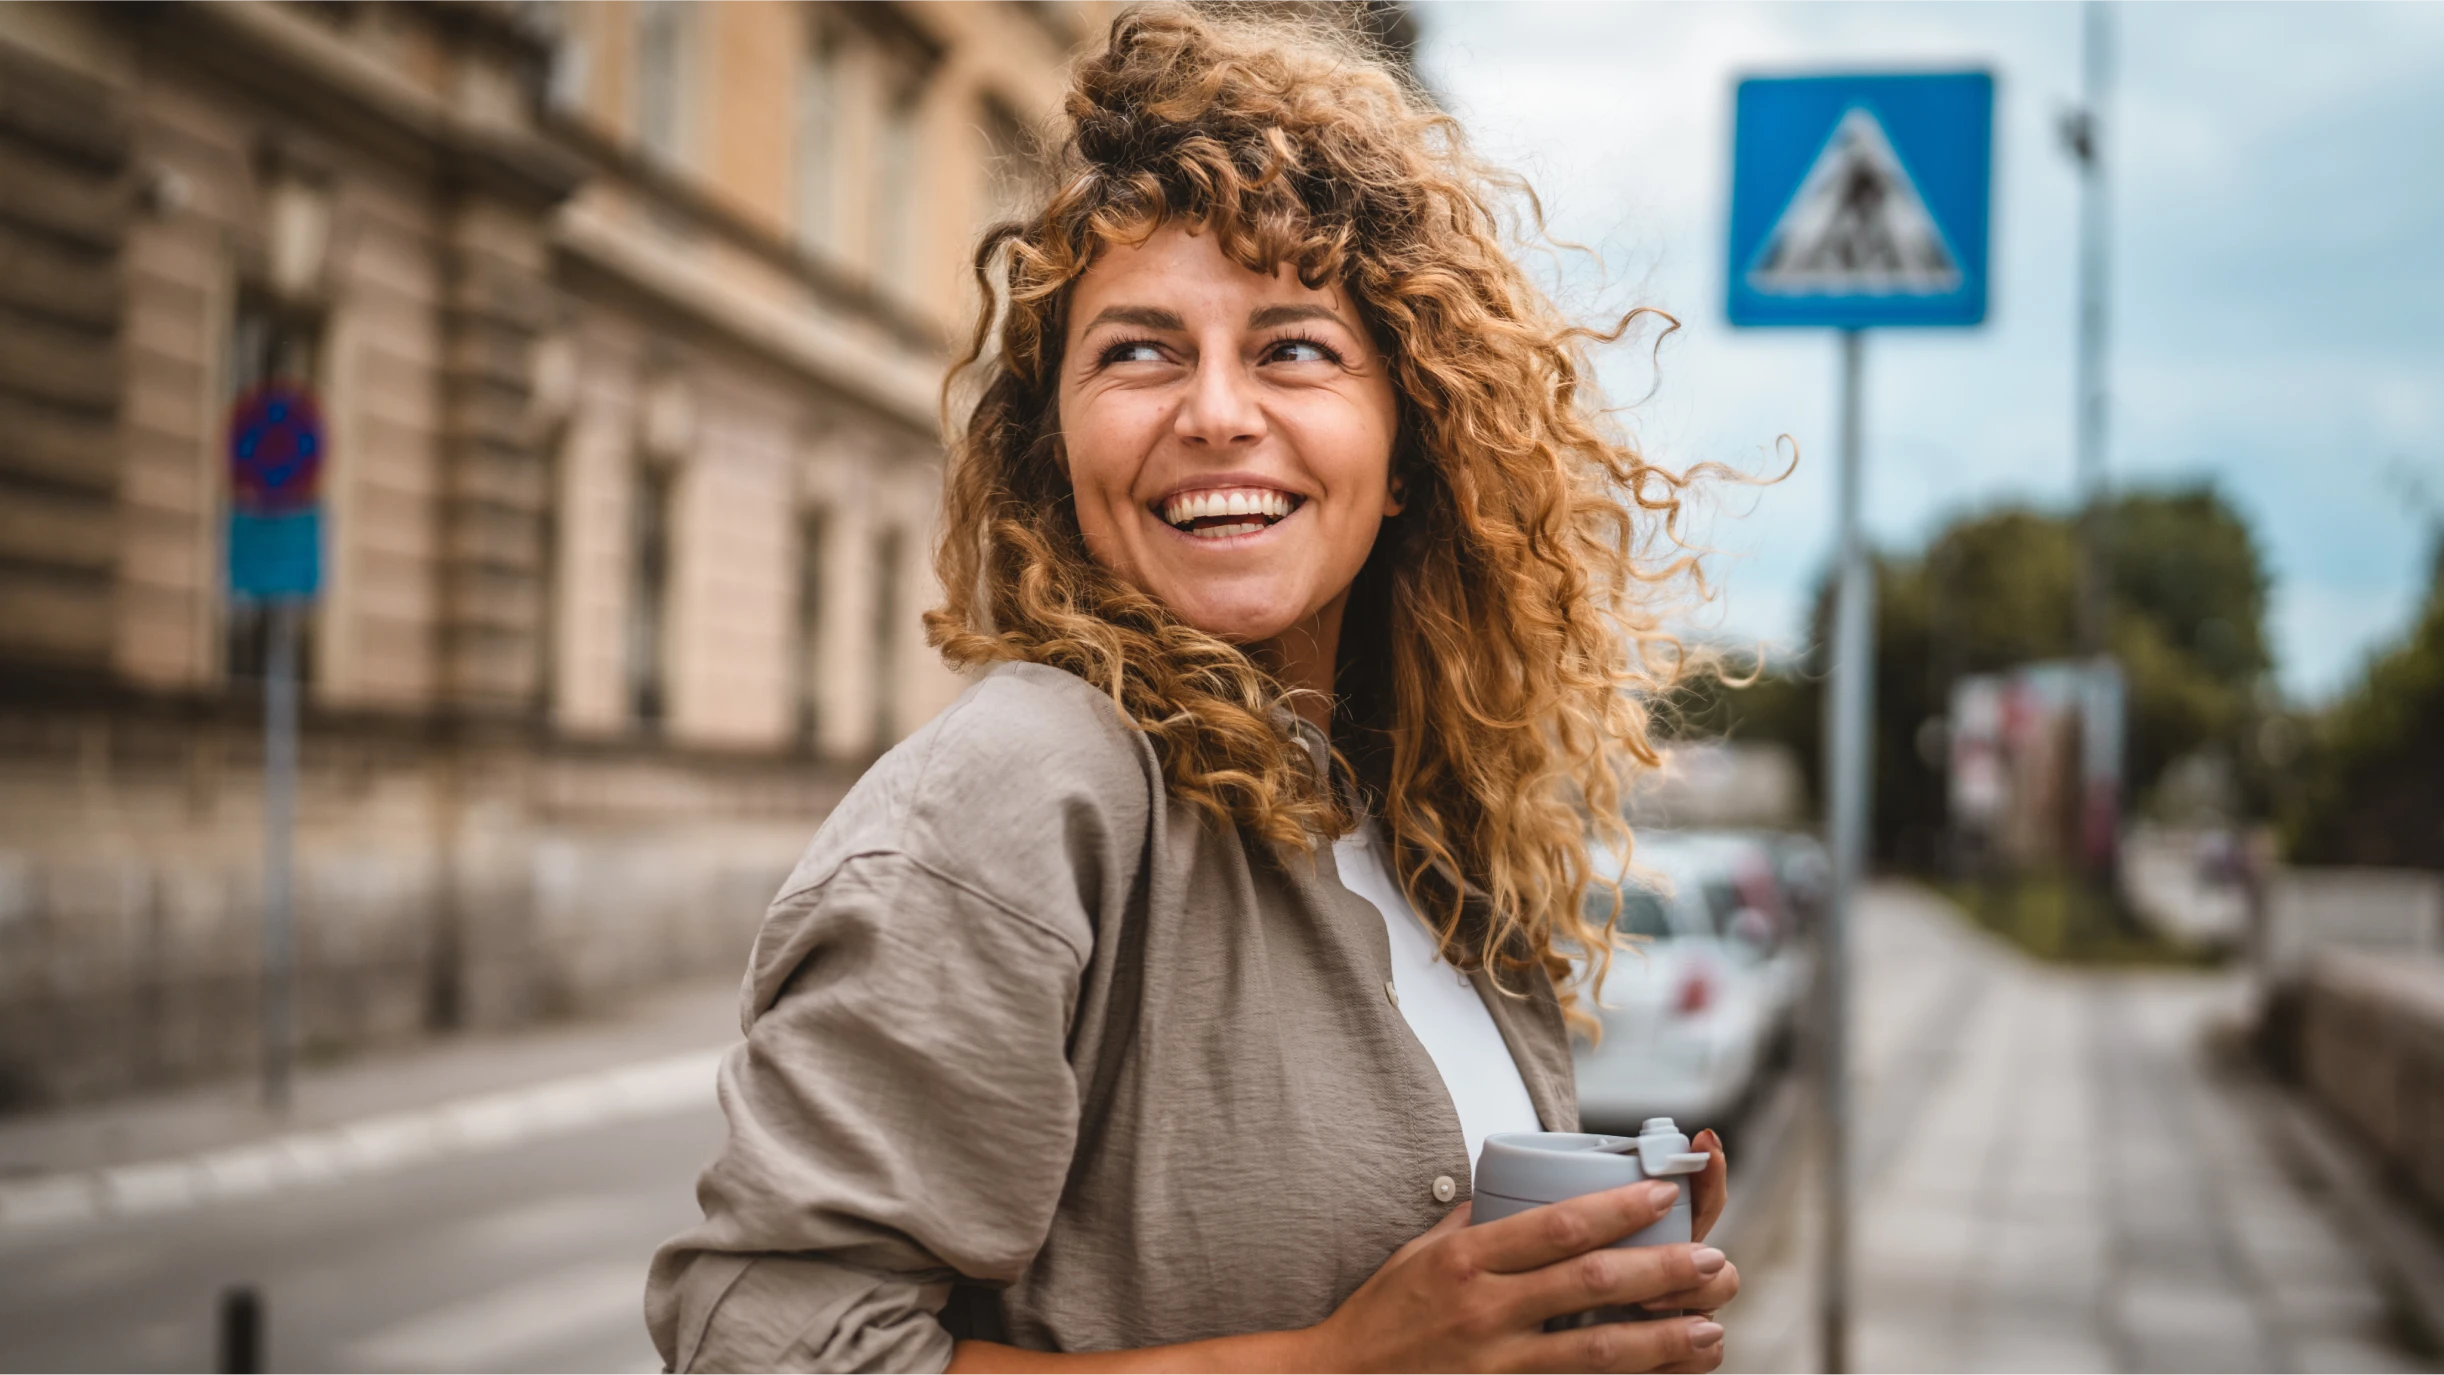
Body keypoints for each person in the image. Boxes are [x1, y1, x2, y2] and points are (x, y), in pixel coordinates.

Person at [647, 6, 1737, 1372]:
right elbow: (765, 1339)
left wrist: (1583, 1285)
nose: (1216, 411)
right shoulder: (1031, 787)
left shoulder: (1424, 822)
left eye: (1292, 347)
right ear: (1059, 444)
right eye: (1140, 349)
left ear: (1409, 446)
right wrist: (1338, 1361)